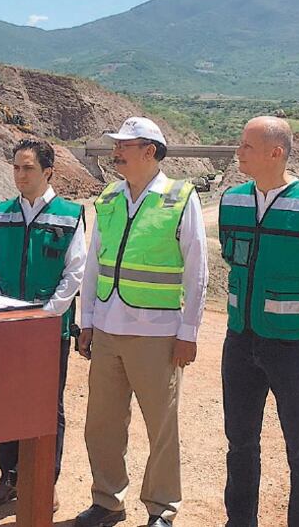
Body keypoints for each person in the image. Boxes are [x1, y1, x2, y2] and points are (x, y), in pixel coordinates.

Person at [74, 117, 208, 527]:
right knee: (102, 424)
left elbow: (197, 270)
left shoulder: (180, 197)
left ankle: (161, 509)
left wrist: (188, 332)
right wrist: (88, 322)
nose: (116, 152)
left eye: (124, 146)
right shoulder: (110, 197)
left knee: (160, 429)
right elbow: (93, 263)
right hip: (110, 329)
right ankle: (107, 500)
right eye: (116, 145)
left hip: (157, 334)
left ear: (149, 151)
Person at [220, 116, 299, 527]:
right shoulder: (233, 201)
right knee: (240, 443)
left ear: (276, 153)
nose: (238, 152)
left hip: (294, 345)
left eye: (247, 146)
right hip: (240, 340)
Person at [0, 139, 86, 511]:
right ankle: (8, 477)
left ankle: (43, 480)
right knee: (5, 402)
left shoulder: (70, 214)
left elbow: (75, 271)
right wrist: (1, 310)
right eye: (16, 167)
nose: (20, 175)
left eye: (28, 168)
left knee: (47, 407)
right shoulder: (1, 212)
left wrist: (46, 314)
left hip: (47, 329)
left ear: (48, 172)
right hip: (7, 326)